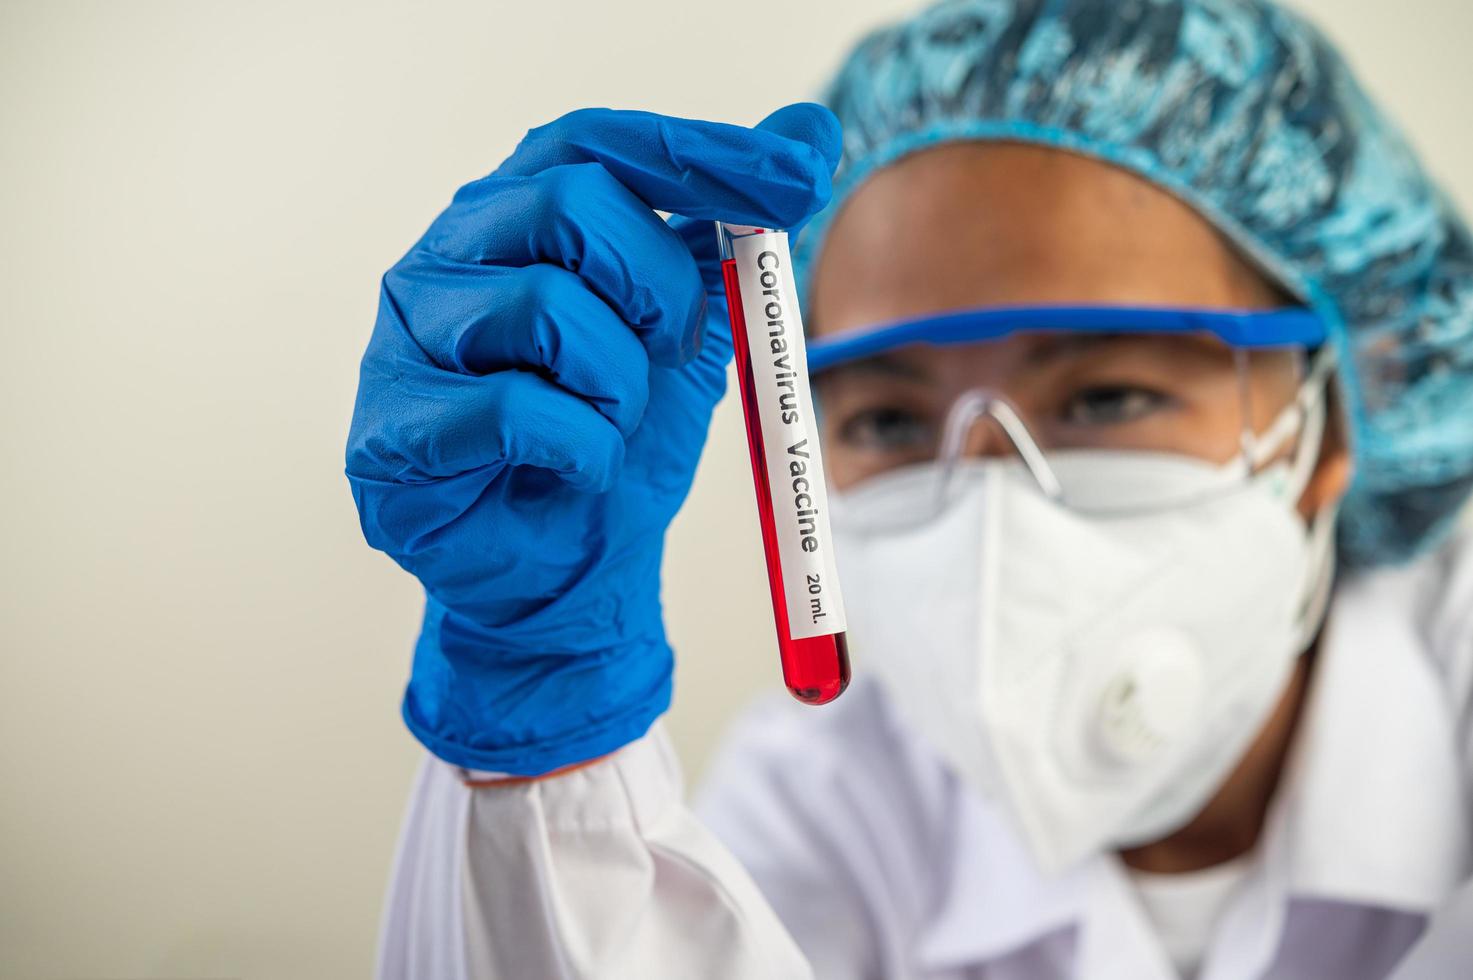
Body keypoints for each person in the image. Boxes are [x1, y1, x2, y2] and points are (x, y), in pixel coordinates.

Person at [345, 1, 1473, 977]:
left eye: (1111, 396)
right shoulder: (824, 802)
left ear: (1336, 408)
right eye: (886, 417)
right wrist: (544, 726)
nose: (991, 510)